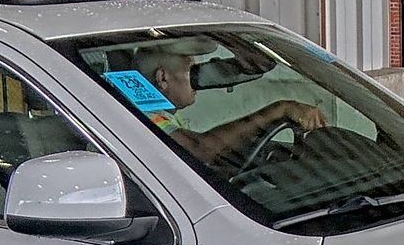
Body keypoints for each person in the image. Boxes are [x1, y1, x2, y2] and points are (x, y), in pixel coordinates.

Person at [132, 45, 327, 167]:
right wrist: (280, 110)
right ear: (163, 78)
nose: (201, 80)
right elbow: (199, 150)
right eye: (193, 71)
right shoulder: (146, 117)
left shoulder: (162, 114)